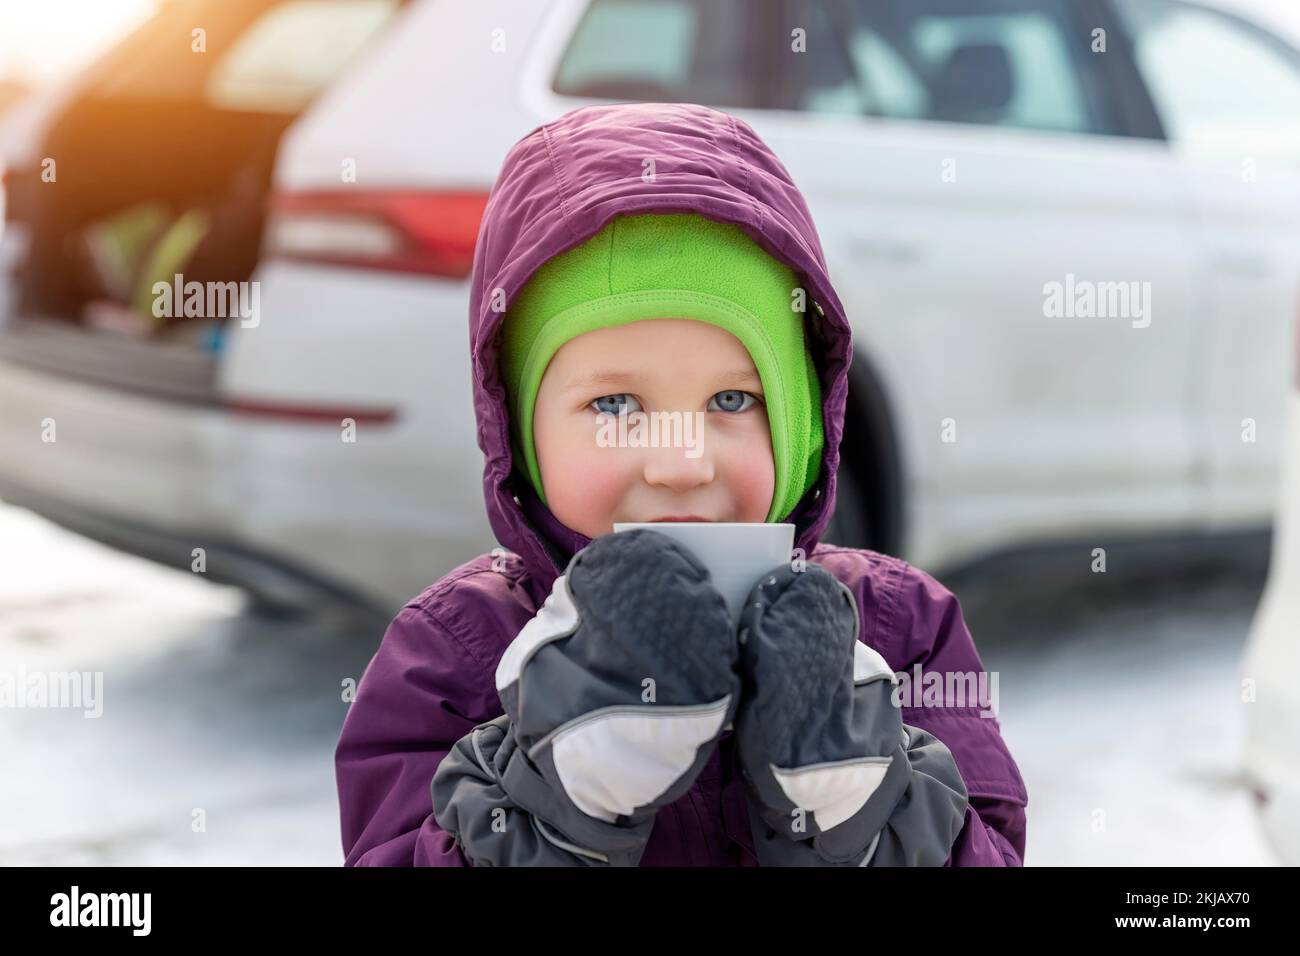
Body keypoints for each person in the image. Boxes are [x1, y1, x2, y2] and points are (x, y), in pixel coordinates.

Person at [334, 102, 1027, 866]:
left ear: (799, 426)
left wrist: (866, 808)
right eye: (616, 405)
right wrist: (558, 805)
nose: (681, 462)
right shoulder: (454, 657)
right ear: (523, 433)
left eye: (733, 401)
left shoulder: (901, 634)